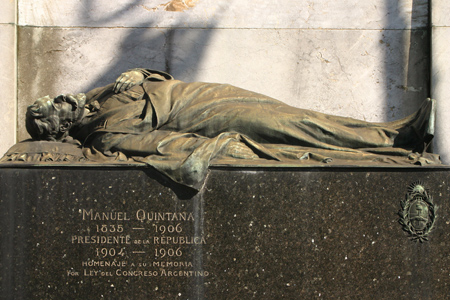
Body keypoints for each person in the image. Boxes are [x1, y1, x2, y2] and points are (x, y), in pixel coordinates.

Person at [25, 68, 438, 188]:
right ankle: (395, 140)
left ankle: (395, 131)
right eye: (57, 108)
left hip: (202, 91)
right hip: (199, 118)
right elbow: (156, 142)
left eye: (58, 96)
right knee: (294, 128)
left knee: (296, 115)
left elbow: (158, 76)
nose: (64, 99)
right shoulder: (102, 134)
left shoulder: (100, 92)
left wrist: (141, 70)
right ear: (61, 130)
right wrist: (208, 148)